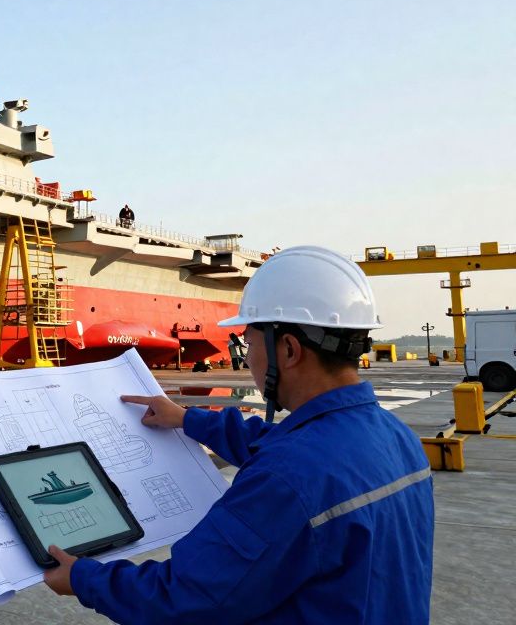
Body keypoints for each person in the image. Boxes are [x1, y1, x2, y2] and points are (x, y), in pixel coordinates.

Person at [42, 245, 433, 623]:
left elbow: (183, 598)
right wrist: (187, 419)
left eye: (249, 341)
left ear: (289, 350)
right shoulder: (397, 438)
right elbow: (274, 442)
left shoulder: (285, 478)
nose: (247, 357)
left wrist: (83, 578)